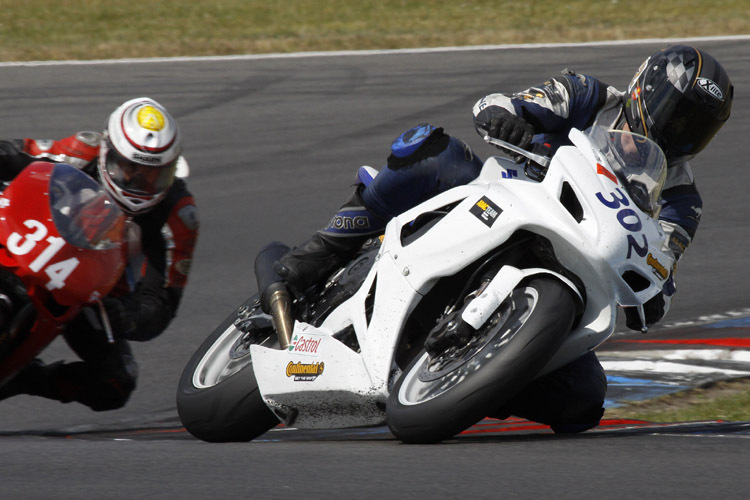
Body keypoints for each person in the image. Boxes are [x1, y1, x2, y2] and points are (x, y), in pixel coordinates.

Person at [267, 45, 733, 432]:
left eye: (696, 127)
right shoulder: (589, 96)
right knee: (433, 152)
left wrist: (656, 294)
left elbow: (664, 261)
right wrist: (503, 116)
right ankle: (318, 253)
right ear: (644, 89)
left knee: (584, 401)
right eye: (676, 115)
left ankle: (466, 382)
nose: (679, 132)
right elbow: (506, 102)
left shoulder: (681, 199)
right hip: (497, 199)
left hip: (570, 265)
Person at [0, 97, 199, 411]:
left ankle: (24, 378)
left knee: (116, 382)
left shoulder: (178, 216)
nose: (139, 183)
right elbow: (13, 153)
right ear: (108, 152)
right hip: (26, 240)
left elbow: (161, 301)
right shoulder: (80, 151)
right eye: (129, 168)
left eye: (154, 175)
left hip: (91, 293)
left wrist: (129, 318)